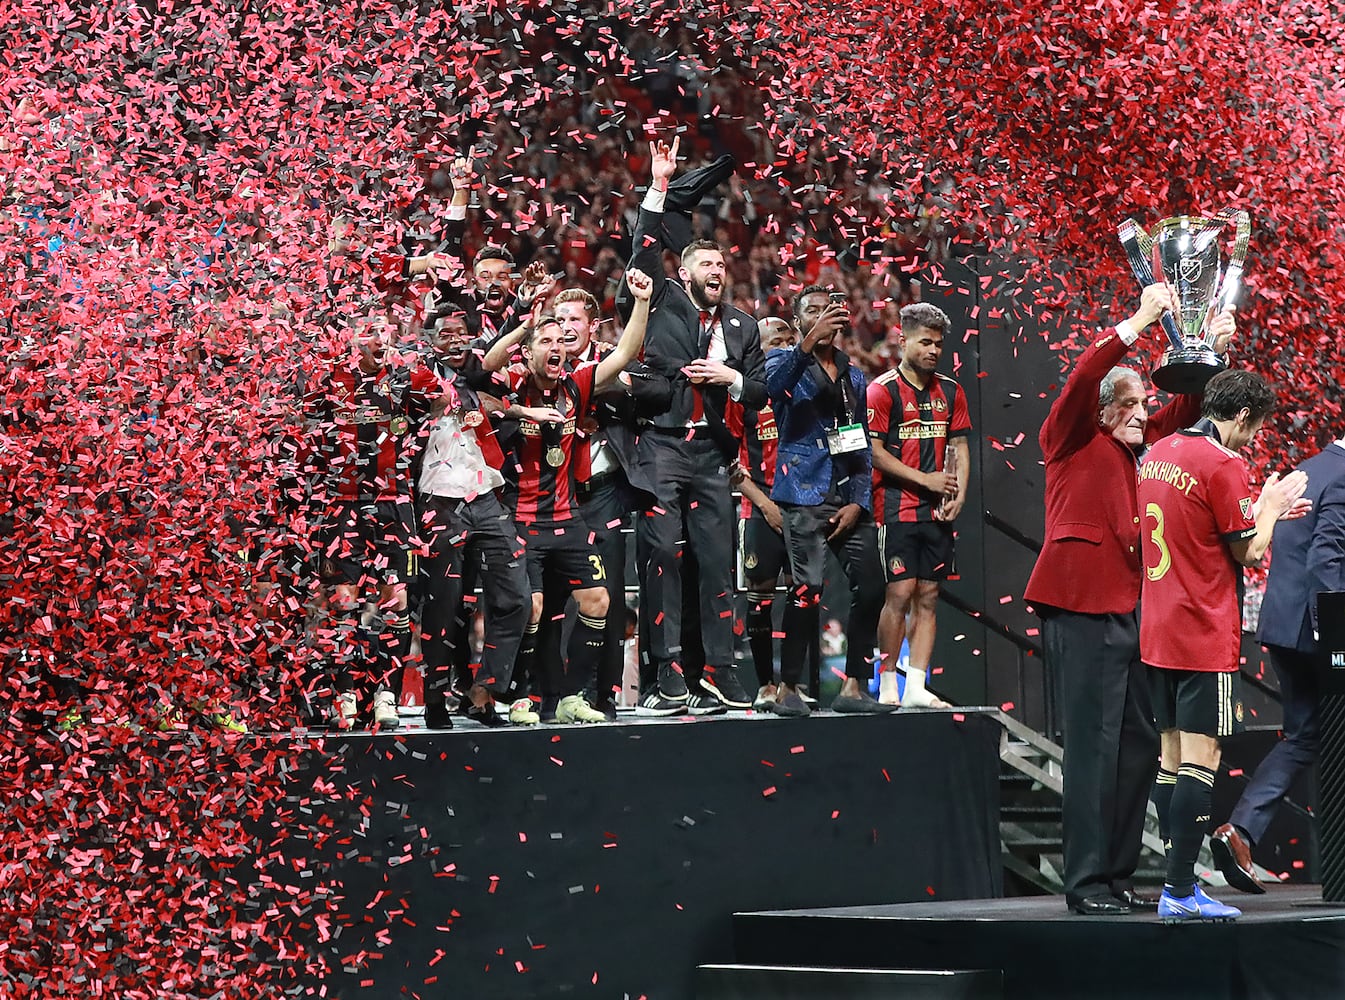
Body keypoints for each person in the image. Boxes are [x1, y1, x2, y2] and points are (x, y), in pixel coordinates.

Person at [1023, 284, 1234, 916]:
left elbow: (1185, 411)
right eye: (1132, 402)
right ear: (1105, 409)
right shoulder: (1068, 438)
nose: (1145, 411)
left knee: (1138, 746)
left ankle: (1115, 876)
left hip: (1135, 616)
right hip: (1081, 609)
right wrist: (1139, 321)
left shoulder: (1140, 451)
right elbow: (1087, 376)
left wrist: (1209, 353)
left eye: (1145, 402)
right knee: (1092, 749)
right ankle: (1084, 884)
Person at [1138, 368, 1309, 922]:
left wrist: (1261, 509)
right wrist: (1270, 508)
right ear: (1240, 416)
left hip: (1157, 626)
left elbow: (1202, 527)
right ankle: (1181, 890)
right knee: (1201, 759)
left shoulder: (1158, 451)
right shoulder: (1223, 463)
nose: (1253, 439)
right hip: (1200, 630)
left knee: (1169, 760)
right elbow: (1249, 553)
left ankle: (1175, 881)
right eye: (1254, 428)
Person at [618, 136, 766, 715]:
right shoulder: (662, 303)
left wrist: (728, 377)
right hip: (660, 446)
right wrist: (658, 185)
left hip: (711, 455)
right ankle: (668, 672)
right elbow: (639, 254)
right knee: (661, 558)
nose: (717, 270)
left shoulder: (743, 327)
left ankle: (720, 671)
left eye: (721, 264)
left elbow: (758, 393)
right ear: (682, 272)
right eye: (705, 263)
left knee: (715, 561)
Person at [484, 269, 656, 724]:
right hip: (520, 520)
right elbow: (484, 371)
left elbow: (621, 354)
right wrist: (521, 408)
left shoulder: (575, 386)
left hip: (568, 517)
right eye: (546, 341)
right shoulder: (511, 385)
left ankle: (571, 697)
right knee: (534, 608)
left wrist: (640, 303)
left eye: (562, 341)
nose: (556, 347)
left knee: (599, 601)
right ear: (527, 352)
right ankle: (520, 695)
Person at [1209, 434, 1345, 891]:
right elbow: (1327, 560)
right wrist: (1335, 638)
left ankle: (1240, 830)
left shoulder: (1307, 469)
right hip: (1318, 633)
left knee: (1304, 736)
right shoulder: (1344, 477)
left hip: (1285, 628)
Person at [306, 307, 443, 730]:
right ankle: (345, 691)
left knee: (395, 601)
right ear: (350, 339)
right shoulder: (330, 378)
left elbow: (443, 402)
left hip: (393, 502)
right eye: (369, 332)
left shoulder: (405, 376)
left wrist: (422, 396)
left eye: (386, 331)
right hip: (343, 503)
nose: (380, 339)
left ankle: (385, 693)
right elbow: (303, 424)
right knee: (343, 602)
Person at [765, 287, 889, 717]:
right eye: (811, 313)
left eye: (827, 311)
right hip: (802, 494)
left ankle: (854, 686)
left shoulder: (854, 376)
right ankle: (788, 687)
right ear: (799, 322)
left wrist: (858, 500)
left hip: (846, 496)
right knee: (807, 590)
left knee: (872, 588)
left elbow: (860, 443)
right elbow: (774, 389)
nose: (821, 318)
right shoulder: (784, 361)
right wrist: (806, 341)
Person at [416, 307, 531, 730]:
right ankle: (435, 700)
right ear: (429, 340)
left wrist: (525, 324)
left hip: (486, 497)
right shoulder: (416, 376)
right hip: (440, 500)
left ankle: (485, 690)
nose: (454, 339)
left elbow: (496, 360)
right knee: (444, 606)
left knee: (517, 597)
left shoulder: (479, 374)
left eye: (461, 332)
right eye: (444, 333)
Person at [866, 302, 970, 708]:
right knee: (900, 593)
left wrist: (959, 493)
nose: (932, 350)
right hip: (896, 509)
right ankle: (888, 680)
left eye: (938, 344)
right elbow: (873, 452)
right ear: (902, 339)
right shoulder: (882, 390)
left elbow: (960, 445)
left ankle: (917, 687)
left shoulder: (952, 390)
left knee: (928, 595)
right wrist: (925, 480)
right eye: (924, 342)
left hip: (936, 513)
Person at [727, 317, 810, 712]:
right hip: (759, 508)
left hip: (803, 509)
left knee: (803, 593)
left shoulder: (804, 392)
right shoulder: (743, 397)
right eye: (775, 339)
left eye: (789, 339)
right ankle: (764, 684)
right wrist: (765, 505)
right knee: (758, 597)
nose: (785, 344)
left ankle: (792, 685)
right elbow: (728, 465)